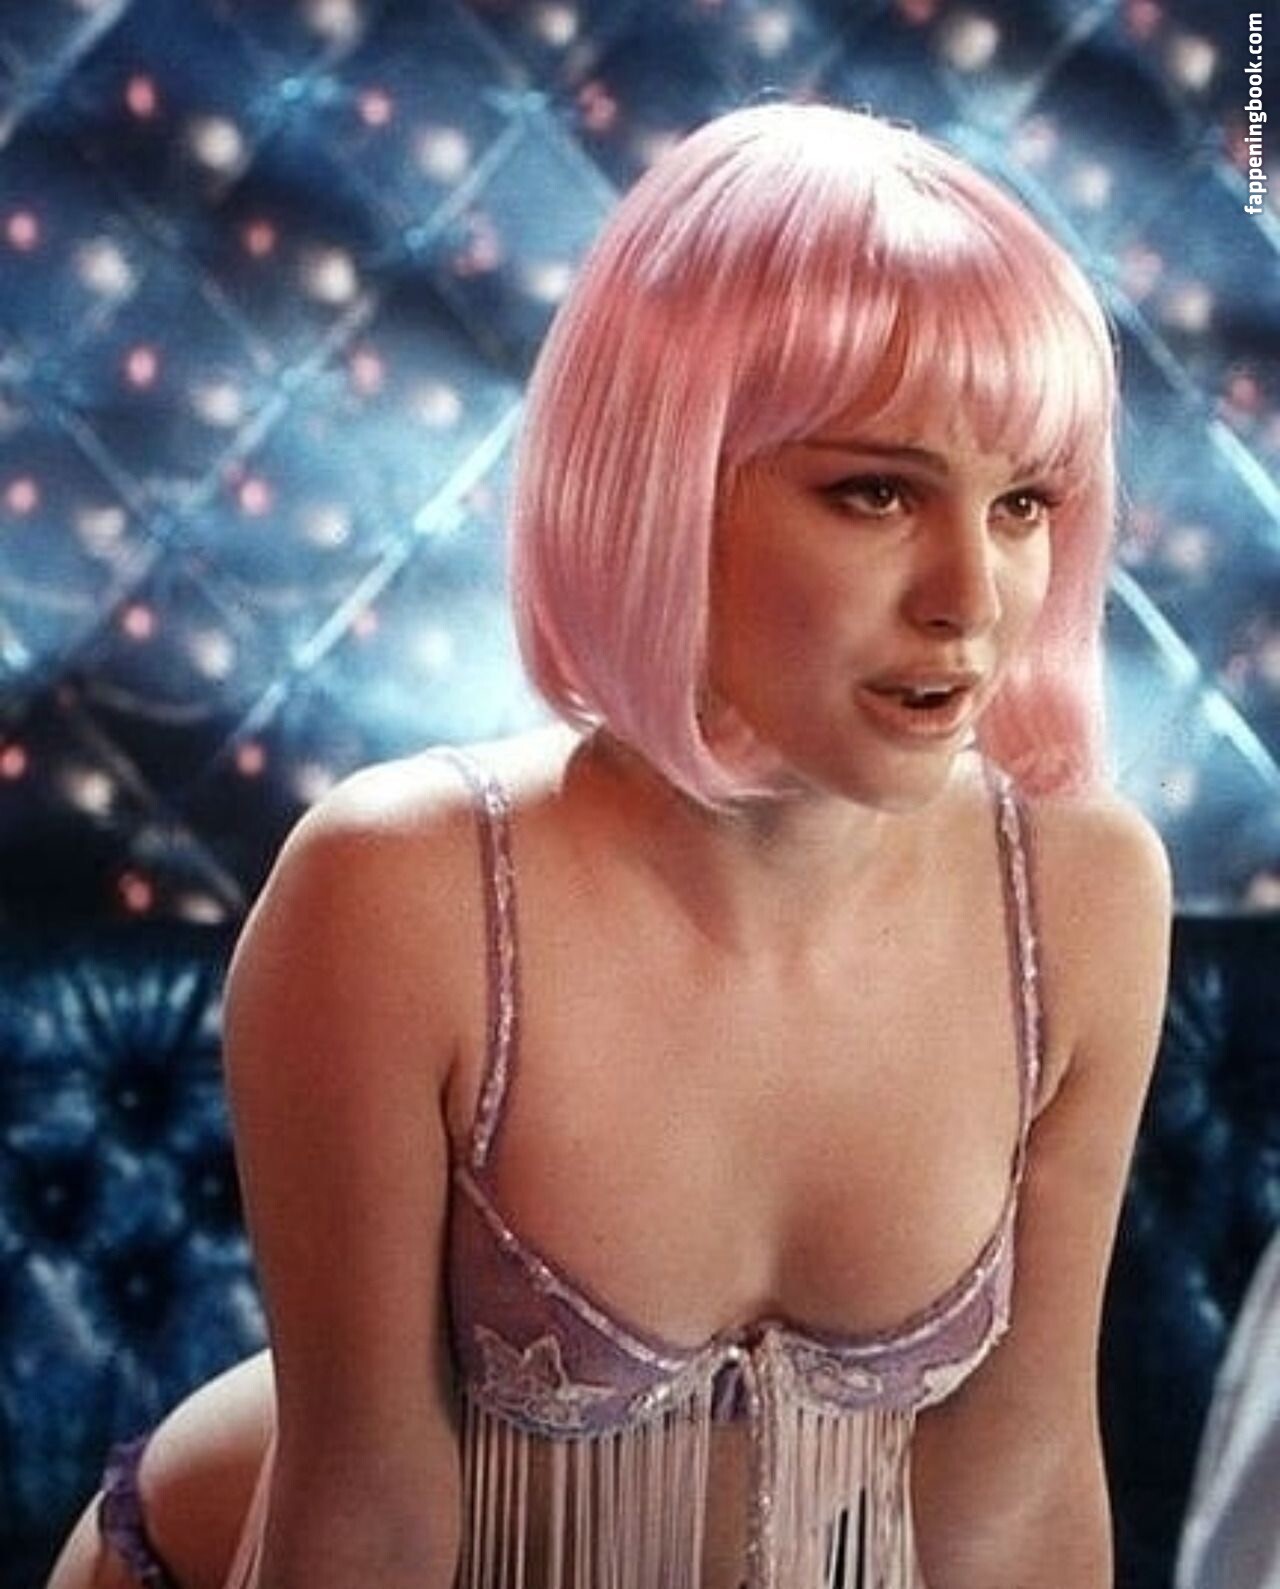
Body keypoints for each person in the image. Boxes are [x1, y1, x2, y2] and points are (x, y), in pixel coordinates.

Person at [47, 100, 1172, 1589]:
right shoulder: (398, 892)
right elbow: (365, 1518)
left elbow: (1014, 1497)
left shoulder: (1082, 895)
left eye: (1024, 500)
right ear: (664, 484)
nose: (971, 595)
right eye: (877, 491)